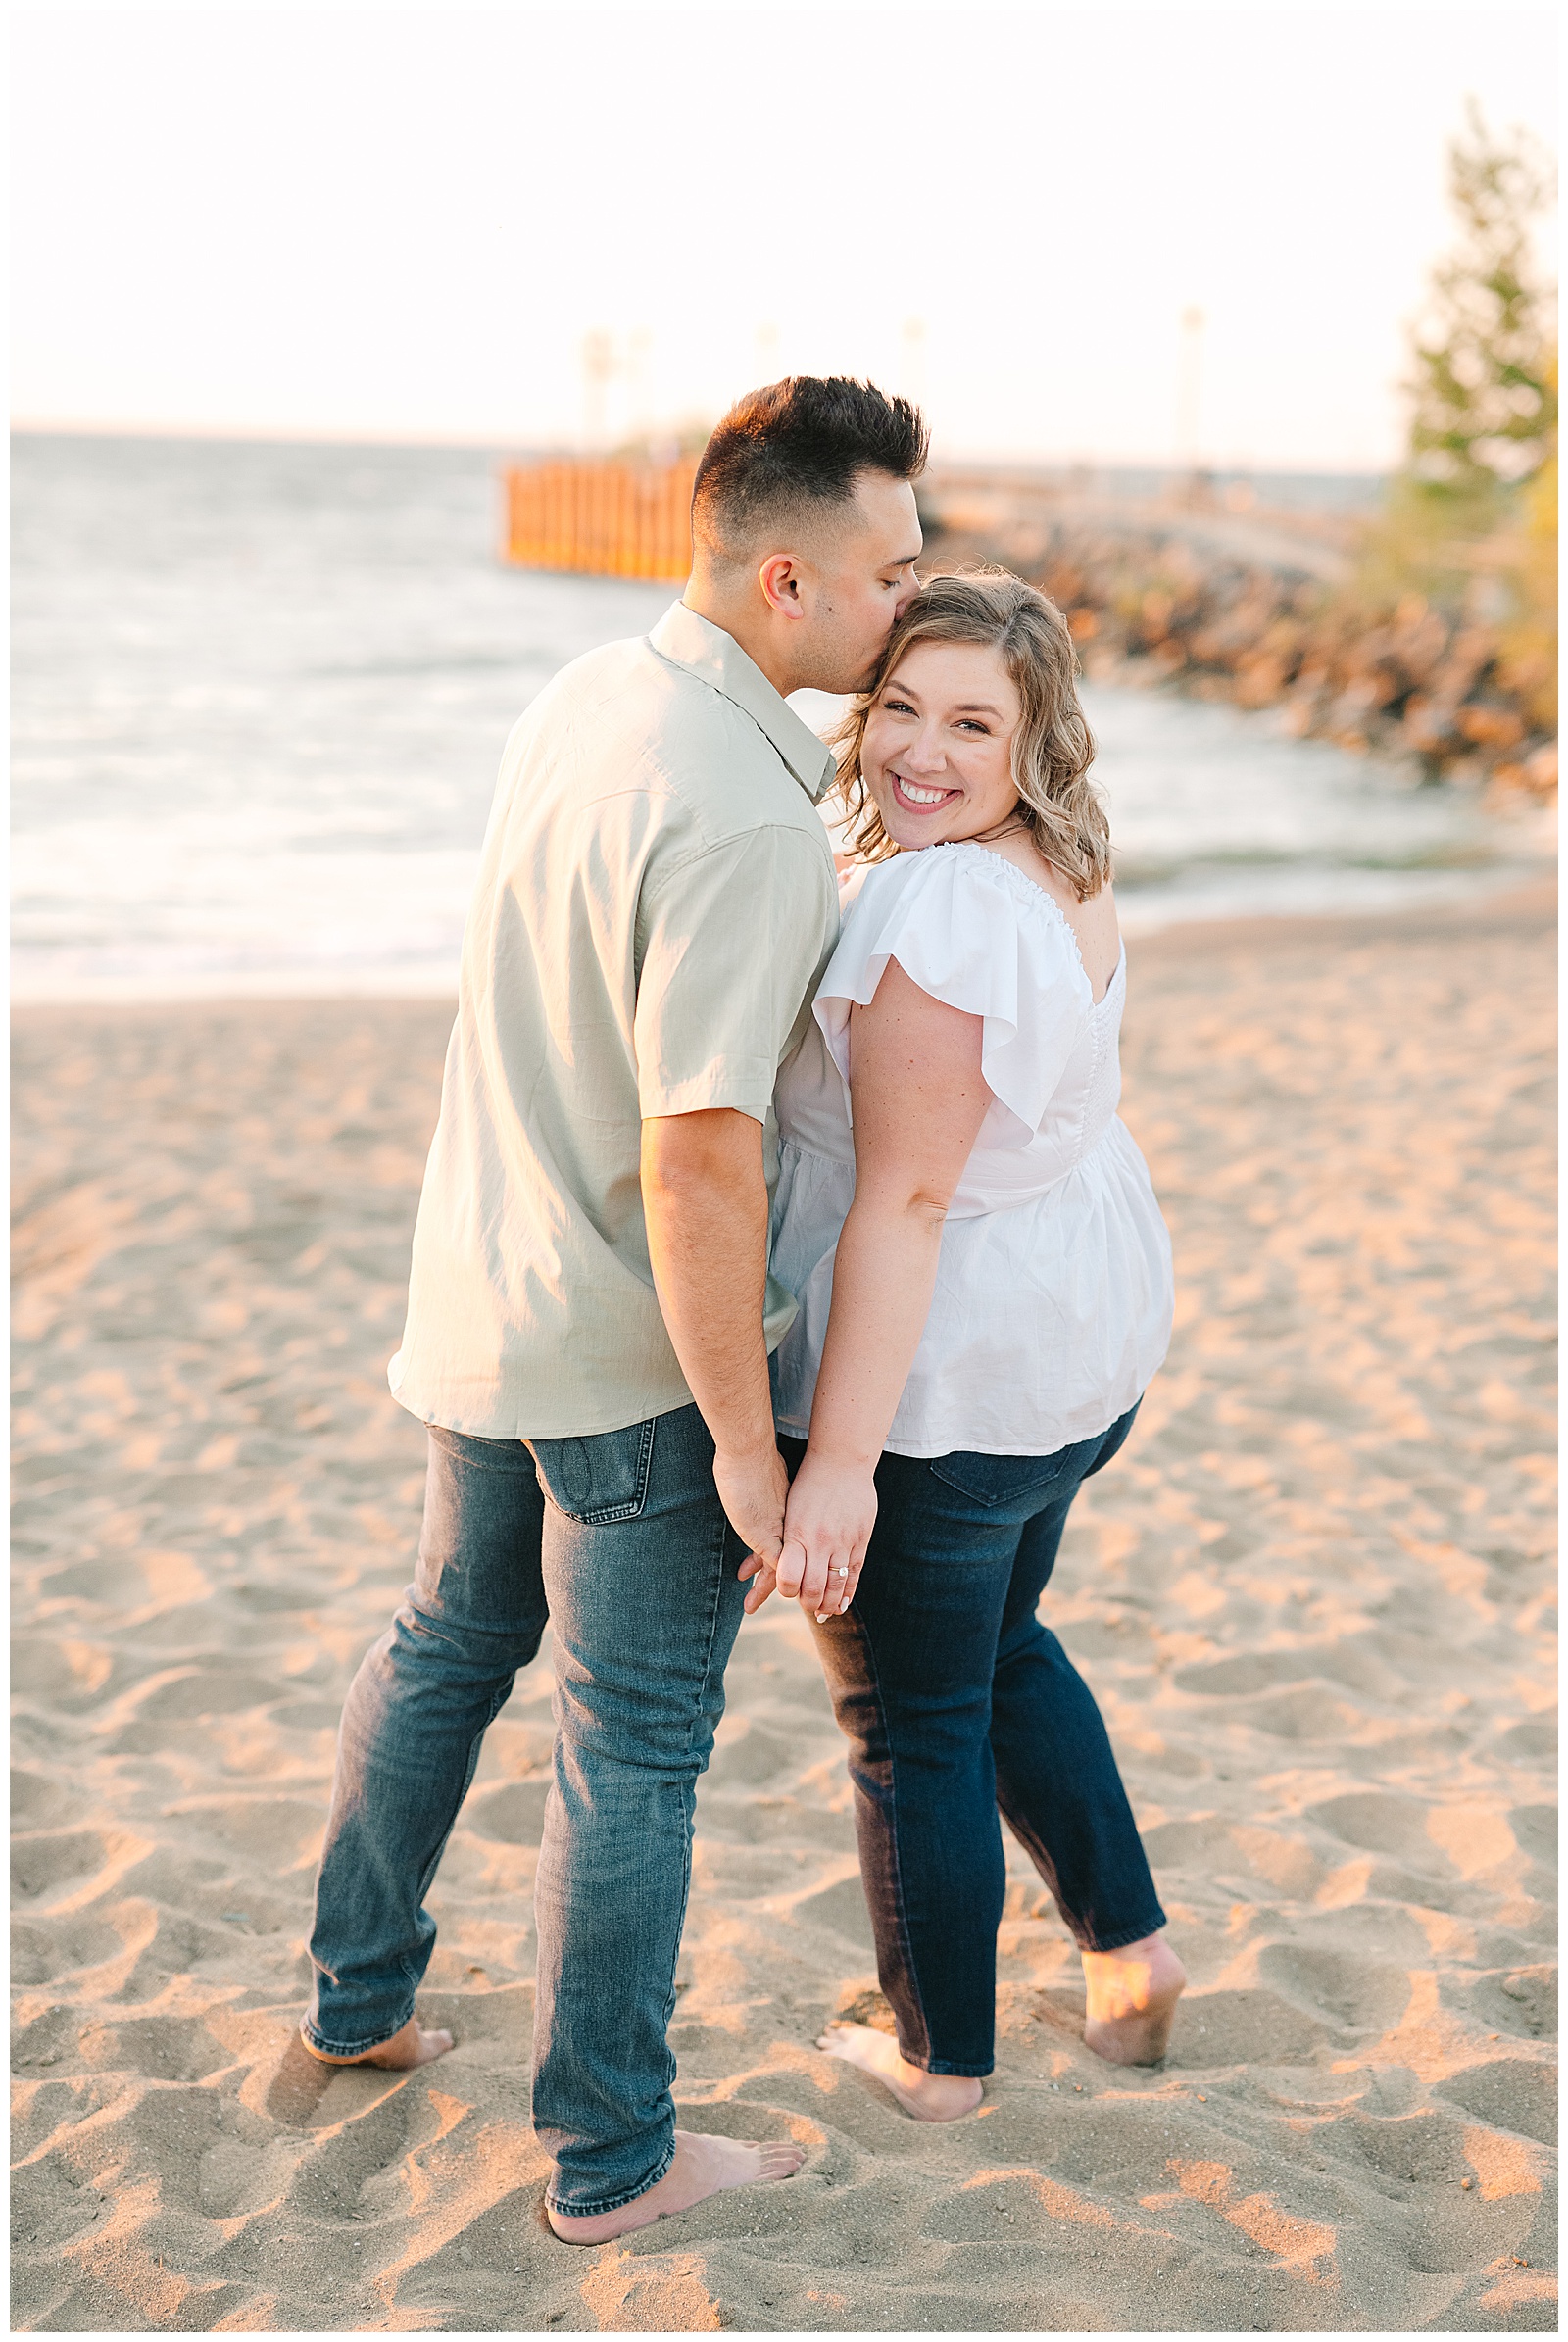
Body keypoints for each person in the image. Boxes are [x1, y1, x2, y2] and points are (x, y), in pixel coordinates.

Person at [299, 377, 927, 2238]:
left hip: (475, 1290)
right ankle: (612, 2157)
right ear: (794, 574)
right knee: (634, 1744)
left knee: (443, 1641)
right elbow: (702, 1162)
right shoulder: (746, 815)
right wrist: (747, 1438)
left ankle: (354, 2000)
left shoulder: (589, 692)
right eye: (895, 572)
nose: (916, 601)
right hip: (626, 1362)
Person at [752, 568, 1184, 2120]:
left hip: (954, 1382)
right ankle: (1129, 1952)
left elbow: (908, 1202)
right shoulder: (1064, 857)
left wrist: (841, 1466)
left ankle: (940, 2058)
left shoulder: (938, 907)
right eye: (900, 711)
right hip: (1071, 1341)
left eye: (971, 723)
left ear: (1033, 734)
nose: (919, 754)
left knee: (905, 1714)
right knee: (997, 1652)